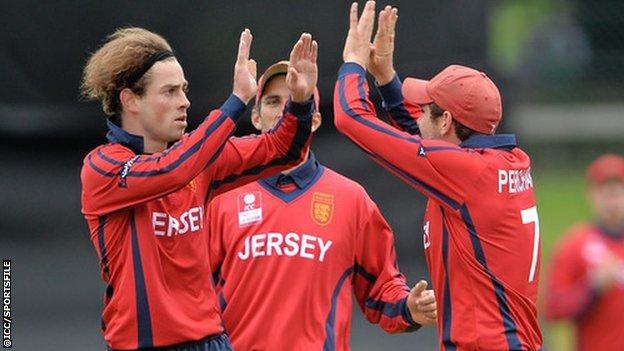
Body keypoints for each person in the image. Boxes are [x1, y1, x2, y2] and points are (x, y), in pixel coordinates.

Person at [80, 27, 317, 350]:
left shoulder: (197, 156)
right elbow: (171, 170)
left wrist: (301, 104)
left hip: (210, 342)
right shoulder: (102, 168)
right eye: (170, 92)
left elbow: (284, 150)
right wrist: (235, 103)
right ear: (130, 100)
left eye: (184, 90)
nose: (185, 102)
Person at [333, 2, 543, 349]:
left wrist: (353, 63)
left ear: (447, 122)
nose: (418, 115)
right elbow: (421, 139)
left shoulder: (466, 172)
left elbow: (350, 118)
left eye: (427, 109)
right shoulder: (502, 162)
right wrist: (385, 77)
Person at [206, 60, 437, 351]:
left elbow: (381, 289)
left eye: (295, 101)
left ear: (314, 119)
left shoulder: (352, 199)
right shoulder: (221, 197)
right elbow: (193, 295)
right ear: (255, 116)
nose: (284, 111)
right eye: (273, 101)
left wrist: (407, 308)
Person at [544, 154, 624, 351]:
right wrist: (592, 287)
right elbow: (553, 307)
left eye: (616, 191)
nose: (611, 199)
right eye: (604, 191)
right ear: (591, 195)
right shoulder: (575, 245)